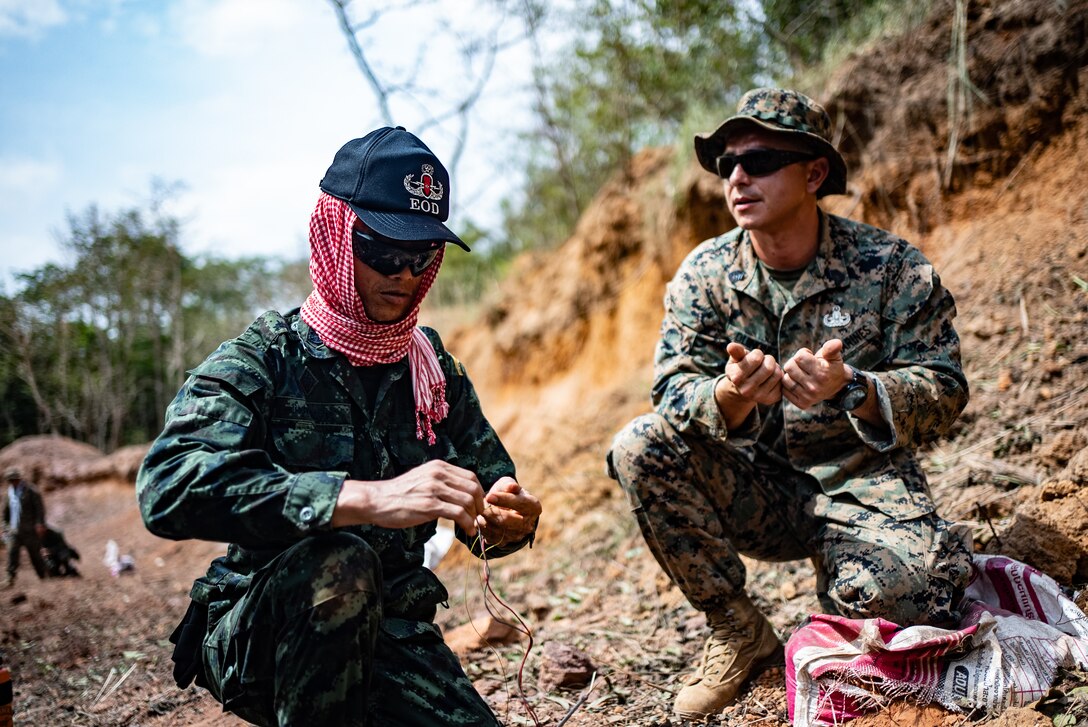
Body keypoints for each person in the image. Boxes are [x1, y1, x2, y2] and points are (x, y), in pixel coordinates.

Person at [136, 127, 542, 727]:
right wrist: (368, 499)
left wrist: (508, 520)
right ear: (335, 236)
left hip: (391, 634)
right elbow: (167, 487)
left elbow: (489, 509)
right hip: (264, 630)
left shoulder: (431, 371)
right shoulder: (263, 360)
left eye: (421, 256)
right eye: (384, 251)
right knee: (341, 562)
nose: (404, 275)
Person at [606, 88, 973, 719]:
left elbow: (945, 387)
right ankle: (737, 631)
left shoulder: (890, 267)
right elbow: (671, 389)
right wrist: (726, 396)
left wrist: (855, 387)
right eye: (727, 164)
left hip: (863, 483)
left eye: (760, 160)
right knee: (638, 444)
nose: (737, 177)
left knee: (918, 606)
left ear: (814, 173)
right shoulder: (704, 276)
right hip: (757, 490)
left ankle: (852, 581)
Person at [3, 467, 48, 588]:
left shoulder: (31, 491)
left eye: (15, 479)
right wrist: (5, 528)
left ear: (19, 478)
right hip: (14, 531)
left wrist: (40, 524)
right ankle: (10, 578)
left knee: (35, 556)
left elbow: (39, 509)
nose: (13, 482)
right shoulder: (9, 493)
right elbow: (5, 513)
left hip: (30, 531)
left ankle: (43, 577)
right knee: (12, 554)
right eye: (11, 480)